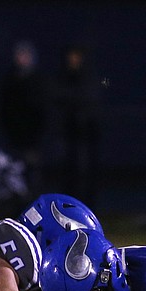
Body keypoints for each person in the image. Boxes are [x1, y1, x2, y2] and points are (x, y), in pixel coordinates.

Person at [51, 44, 102, 205]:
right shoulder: (61, 77)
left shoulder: (88, 77)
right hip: (68, 133)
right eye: (71, 56)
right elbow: (57, 97)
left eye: (76, 56)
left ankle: (88, 206)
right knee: (68, 172)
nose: (73, 59)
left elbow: (90, 99)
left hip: (87, 133)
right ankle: (68, 205)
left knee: (87, 173)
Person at [0, 40, 48, 197]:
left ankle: (35, 210)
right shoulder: (9, 80)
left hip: (33, 138)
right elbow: (3, 109)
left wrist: (39, 136)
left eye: (25, 55)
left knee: (33, 175)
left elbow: (43, 111)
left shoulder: (38, 80)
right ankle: (17, 210)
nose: (22, 58)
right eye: (20, 55)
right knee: (14, 176)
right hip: (14, 137)